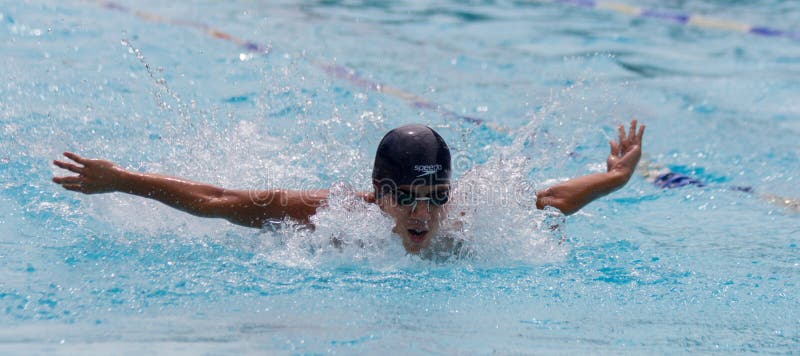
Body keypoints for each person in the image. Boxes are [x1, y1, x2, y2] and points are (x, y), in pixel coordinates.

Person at [52, 120, 645, 254]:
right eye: (405, 198)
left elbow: (552, 199)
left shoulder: (469, 217)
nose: (422, 215)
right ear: (378, 193)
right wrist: (122, 181)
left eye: (434, 198)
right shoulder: (333, 215)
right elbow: (222, 201)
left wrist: (616, 178)